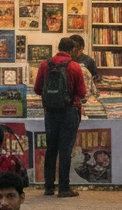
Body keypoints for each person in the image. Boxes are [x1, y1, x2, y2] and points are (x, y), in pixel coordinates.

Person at [33, 37, 87, 197]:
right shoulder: (74, 66)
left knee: (51, 148)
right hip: (69, 111)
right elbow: (82, 92)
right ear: (72, 50)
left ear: (58, 47)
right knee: (65, 149)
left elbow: (37, 89)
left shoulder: (45, 64)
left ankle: (48, 186)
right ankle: (64, 188)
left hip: (50, 112)